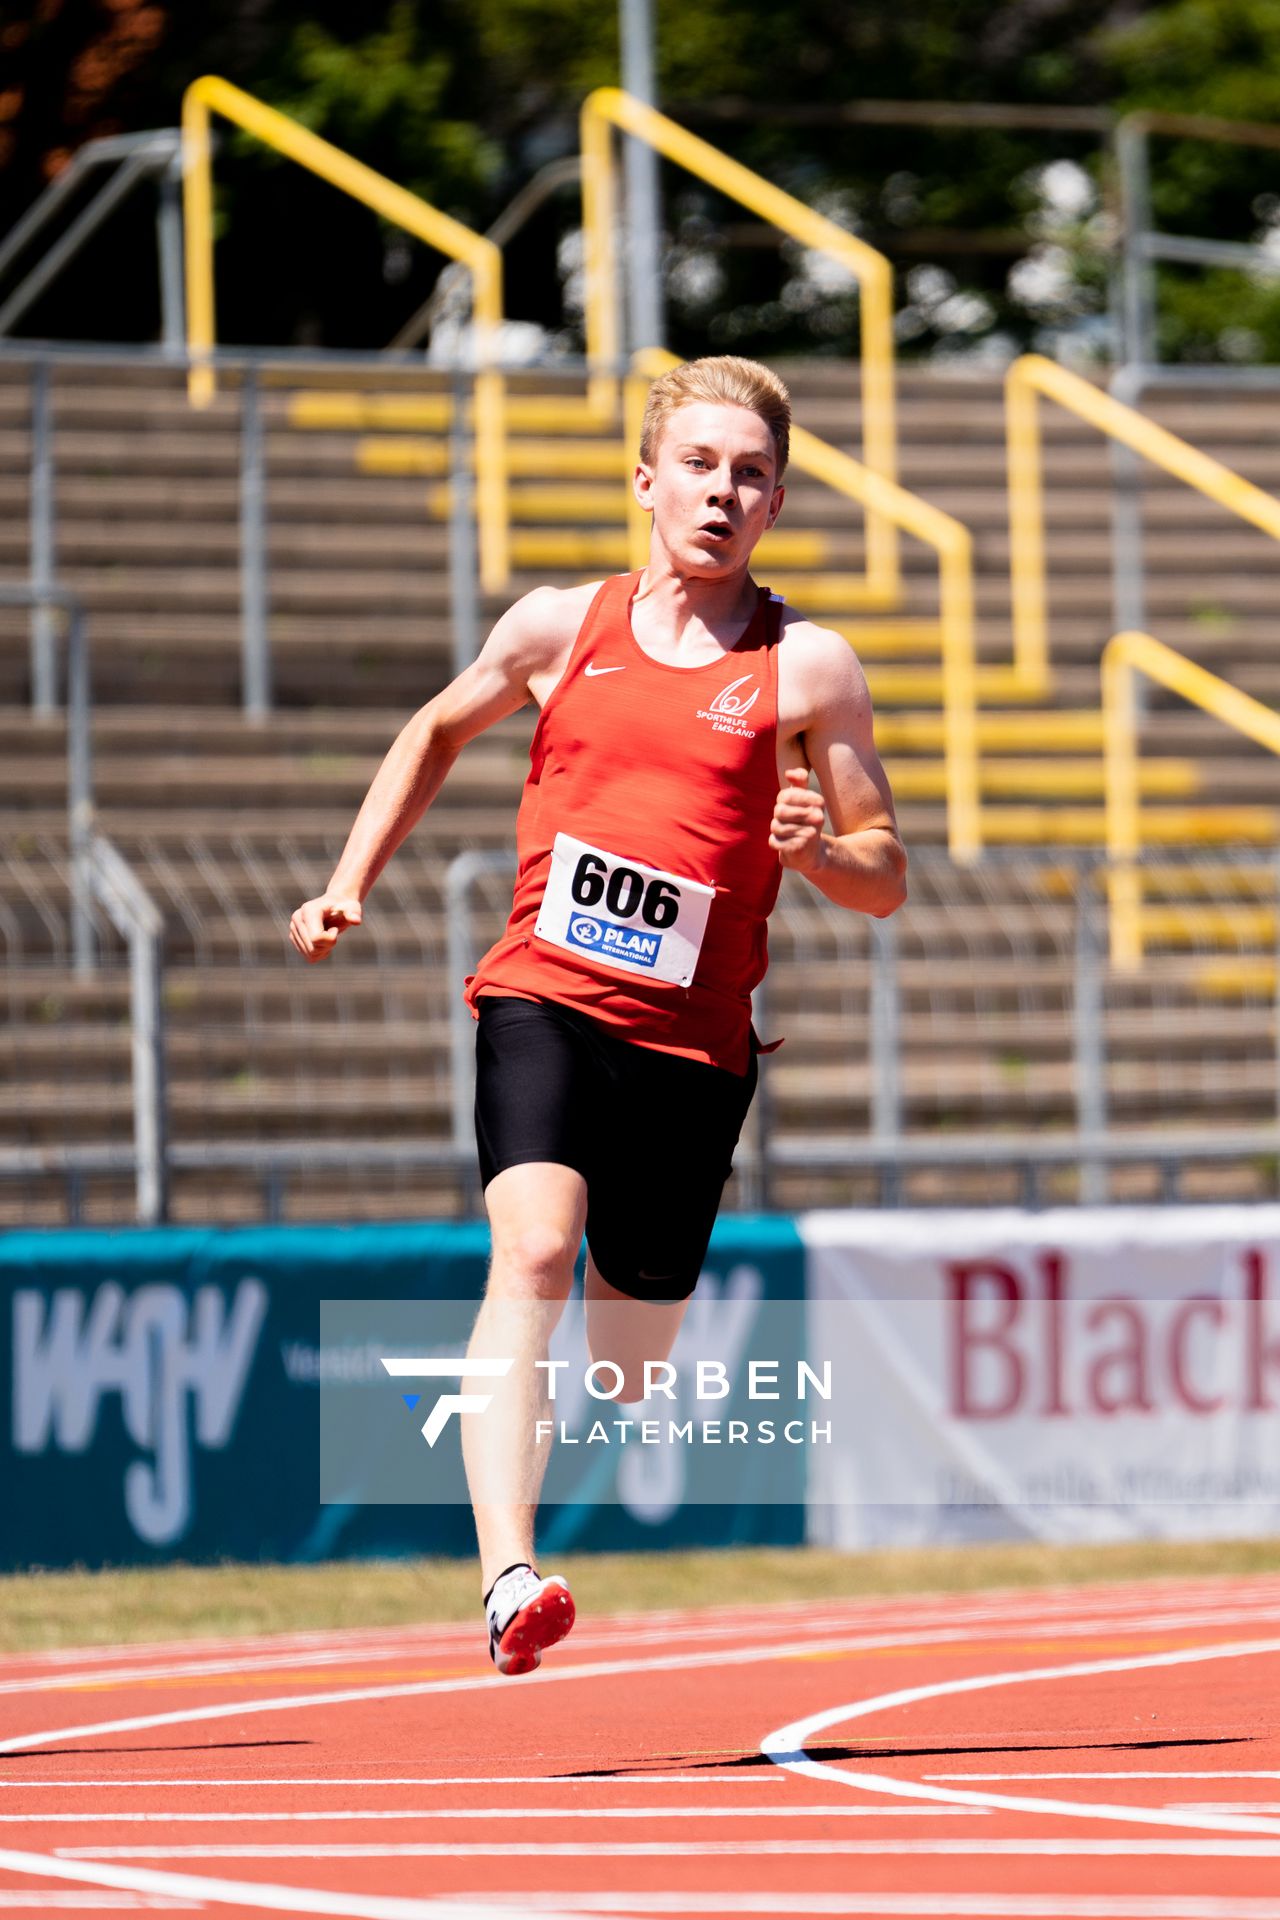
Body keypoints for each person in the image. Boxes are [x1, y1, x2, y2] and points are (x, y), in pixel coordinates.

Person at [289, 355, 906, 1675]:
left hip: (693, 1050)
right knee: (533, 1250)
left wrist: (818, 852)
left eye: (750, 474)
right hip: (545, 1000)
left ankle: (581, 1427)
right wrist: (348, 882)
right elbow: (435, 732)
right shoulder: (561, 627)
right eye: (699, 465)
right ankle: (509, 1578)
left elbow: (885, 873)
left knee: (628, 1363)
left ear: (779, 500)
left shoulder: (810, 670)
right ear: (646, 481)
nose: (722, 493)